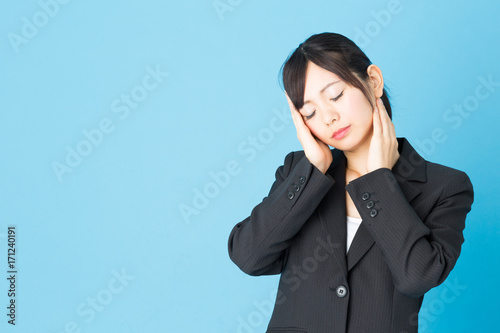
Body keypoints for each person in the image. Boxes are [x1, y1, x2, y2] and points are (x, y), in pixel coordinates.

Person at [227, 32, 474, 333]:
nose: (328, 117)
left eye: (336, 95)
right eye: (310, 112)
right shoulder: (300, 173)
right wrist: (315, 168)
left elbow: (417, 277)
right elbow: (250, 257)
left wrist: (378, 181)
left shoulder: (444, 186)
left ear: (373, 80)